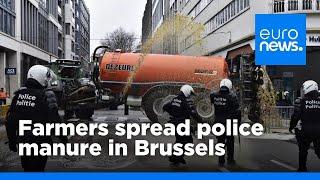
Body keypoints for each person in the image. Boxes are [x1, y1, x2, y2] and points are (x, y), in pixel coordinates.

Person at [5, 65, 67, 172]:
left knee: (27, 169)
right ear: (41, 78)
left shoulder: (19, 95)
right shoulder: (47, 95)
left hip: (24, 142)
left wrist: (12, 141)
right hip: (41, 143)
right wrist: (63, 139)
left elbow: (10, 121)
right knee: (38, 169)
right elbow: (55, 122)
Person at [163, 85, 202, 166]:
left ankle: (177, 158)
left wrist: (173, 112)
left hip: (174, 123)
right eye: (190, 93)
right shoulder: (185, 101)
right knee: (187, 141)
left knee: (180, 141)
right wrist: (201, 122)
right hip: (182, 124)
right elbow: (192, 113)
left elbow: (165, 107)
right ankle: (175, 158)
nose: (190, 95)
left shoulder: (175, 99)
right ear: (187, 91)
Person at [290, 80, 320, 172]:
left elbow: (295, 116)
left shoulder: (301, 101)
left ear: (308, 87)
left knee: (303, 150)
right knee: (319, 151)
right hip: (319, 130)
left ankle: (302, 169)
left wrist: (291, 126)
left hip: (306, 130)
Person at [210, 79, 240, 167]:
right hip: (229, 123)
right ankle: (230, 159)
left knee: (220, 141)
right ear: (229, 86)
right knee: (230, 141)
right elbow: (237, 112)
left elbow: (212, 98)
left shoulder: (213, 96)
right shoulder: (232, 97)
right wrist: (238, 125)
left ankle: (221, 160)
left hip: (218, 123)